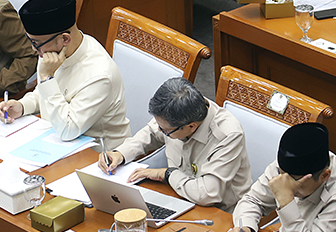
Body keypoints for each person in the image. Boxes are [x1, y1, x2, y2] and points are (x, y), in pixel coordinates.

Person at [0, 0, 131, 146]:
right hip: (57, 142)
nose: (34, 49)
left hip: (100, 156)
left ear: (65, 39)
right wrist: (22, 106)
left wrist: (47, 77)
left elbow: (68, 130)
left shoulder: (100, 74)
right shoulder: (52, 51)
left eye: (36, 43)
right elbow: (44, 94)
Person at [97, 77, 252, 212]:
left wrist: (166, 174)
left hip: (218, 213)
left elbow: (207, 194)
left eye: (165, 131)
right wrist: (120, 154)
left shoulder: (227, 135)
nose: (160, 131)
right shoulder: (181, 110)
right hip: (176, 197)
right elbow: (151, 132)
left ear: (191, 127)